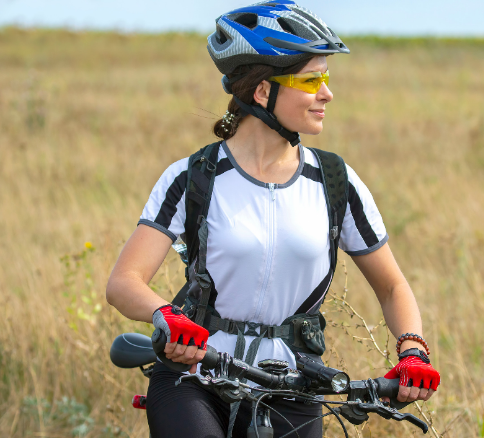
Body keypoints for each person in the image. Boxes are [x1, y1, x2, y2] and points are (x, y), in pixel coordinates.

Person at [106, 1, 440, 437]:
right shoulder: (194, 176)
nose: (327, 93)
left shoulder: (336, 182)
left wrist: (412, 350)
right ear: (263, 92)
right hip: (194, 376)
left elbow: (392, 285)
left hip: (293, 384)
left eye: (327, 78)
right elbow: (124, 282)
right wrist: (167, 316)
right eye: (311, 80)